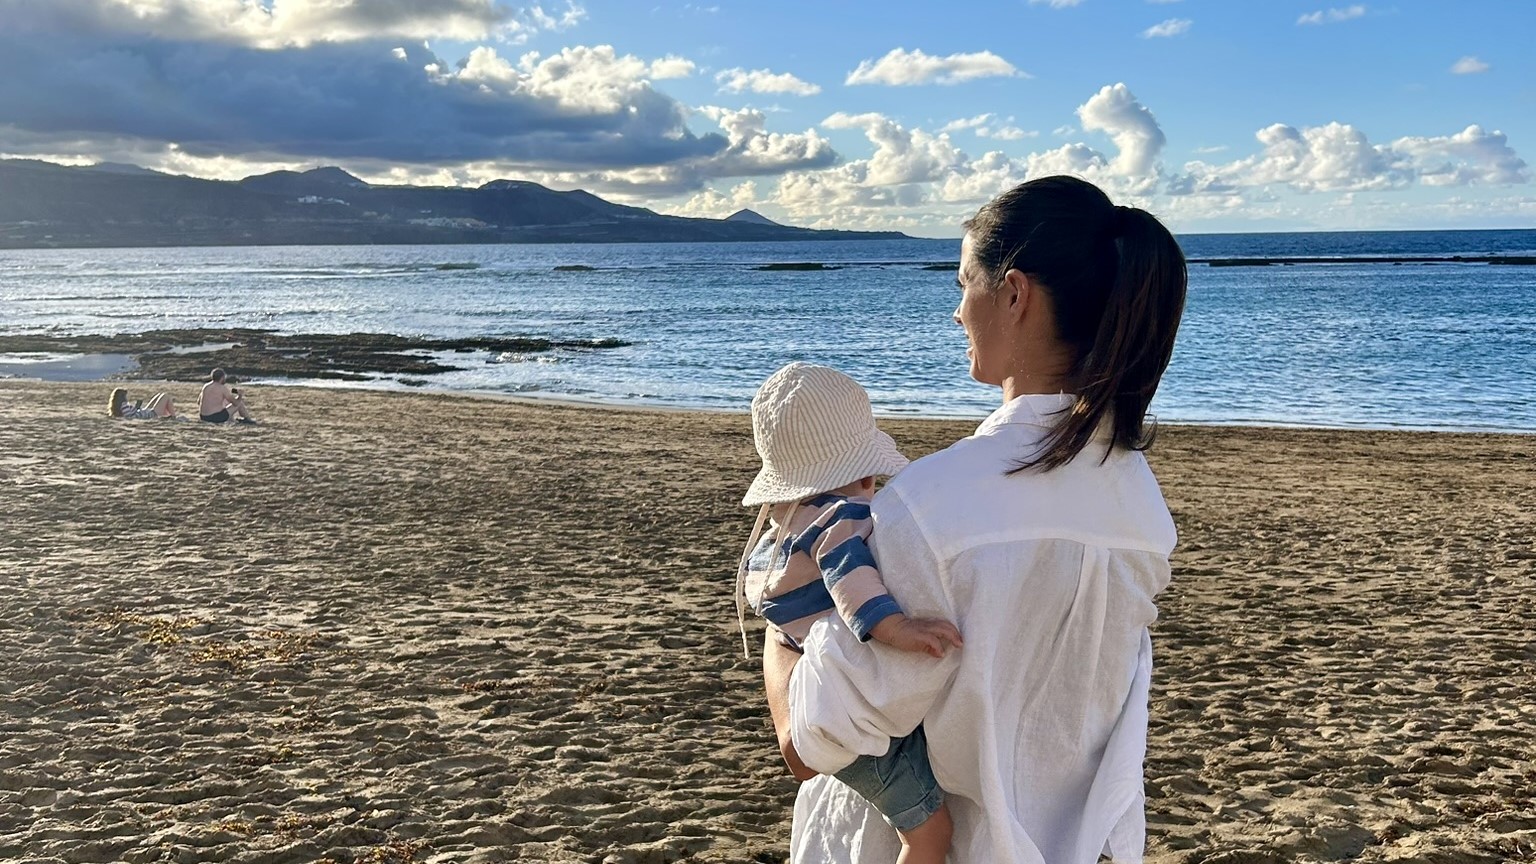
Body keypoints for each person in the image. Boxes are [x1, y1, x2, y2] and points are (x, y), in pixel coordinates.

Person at [762, 175, 1187, 864]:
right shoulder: (1138, 503)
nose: (958, 312)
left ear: (1014, 293)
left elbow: (811, 743)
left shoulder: (931, 505)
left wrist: (781, 636)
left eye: (964, 283)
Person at [736, 362, 964, 864]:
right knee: (930, 835)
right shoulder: (841, 520)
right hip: (846, 725)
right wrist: (897, 626)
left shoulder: (779, 533)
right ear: (863, 472)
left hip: (815, 709)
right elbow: (849, 578)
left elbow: (779, 610)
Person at [108, 387, 176, 419]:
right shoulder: (123, 405)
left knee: (158, 396)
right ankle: (173, 416)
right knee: (165, 396)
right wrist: (136, 407)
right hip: (149, 414)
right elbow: (130, 416)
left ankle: (169, 415)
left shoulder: (117, 408)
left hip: (143, 412)